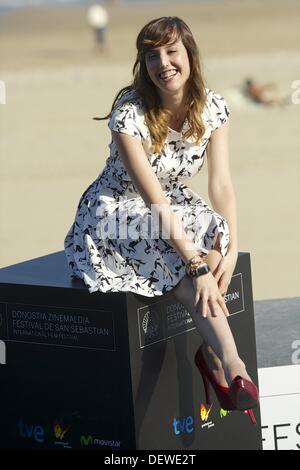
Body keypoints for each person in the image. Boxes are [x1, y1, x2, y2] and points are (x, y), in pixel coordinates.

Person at [64, 17, 259, 420]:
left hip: (171, 201)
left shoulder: (213, 107)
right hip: (115, 212)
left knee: (217, 243)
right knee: (187, 268)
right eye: (152, 55)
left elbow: (220, 184)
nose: (163, 63)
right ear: (143, 64)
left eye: (171, 51)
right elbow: (152, 201)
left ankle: (209, 352)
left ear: (190, 55)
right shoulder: (129, 113)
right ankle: (231, 360)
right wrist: (194, 262)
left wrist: (232, 247)